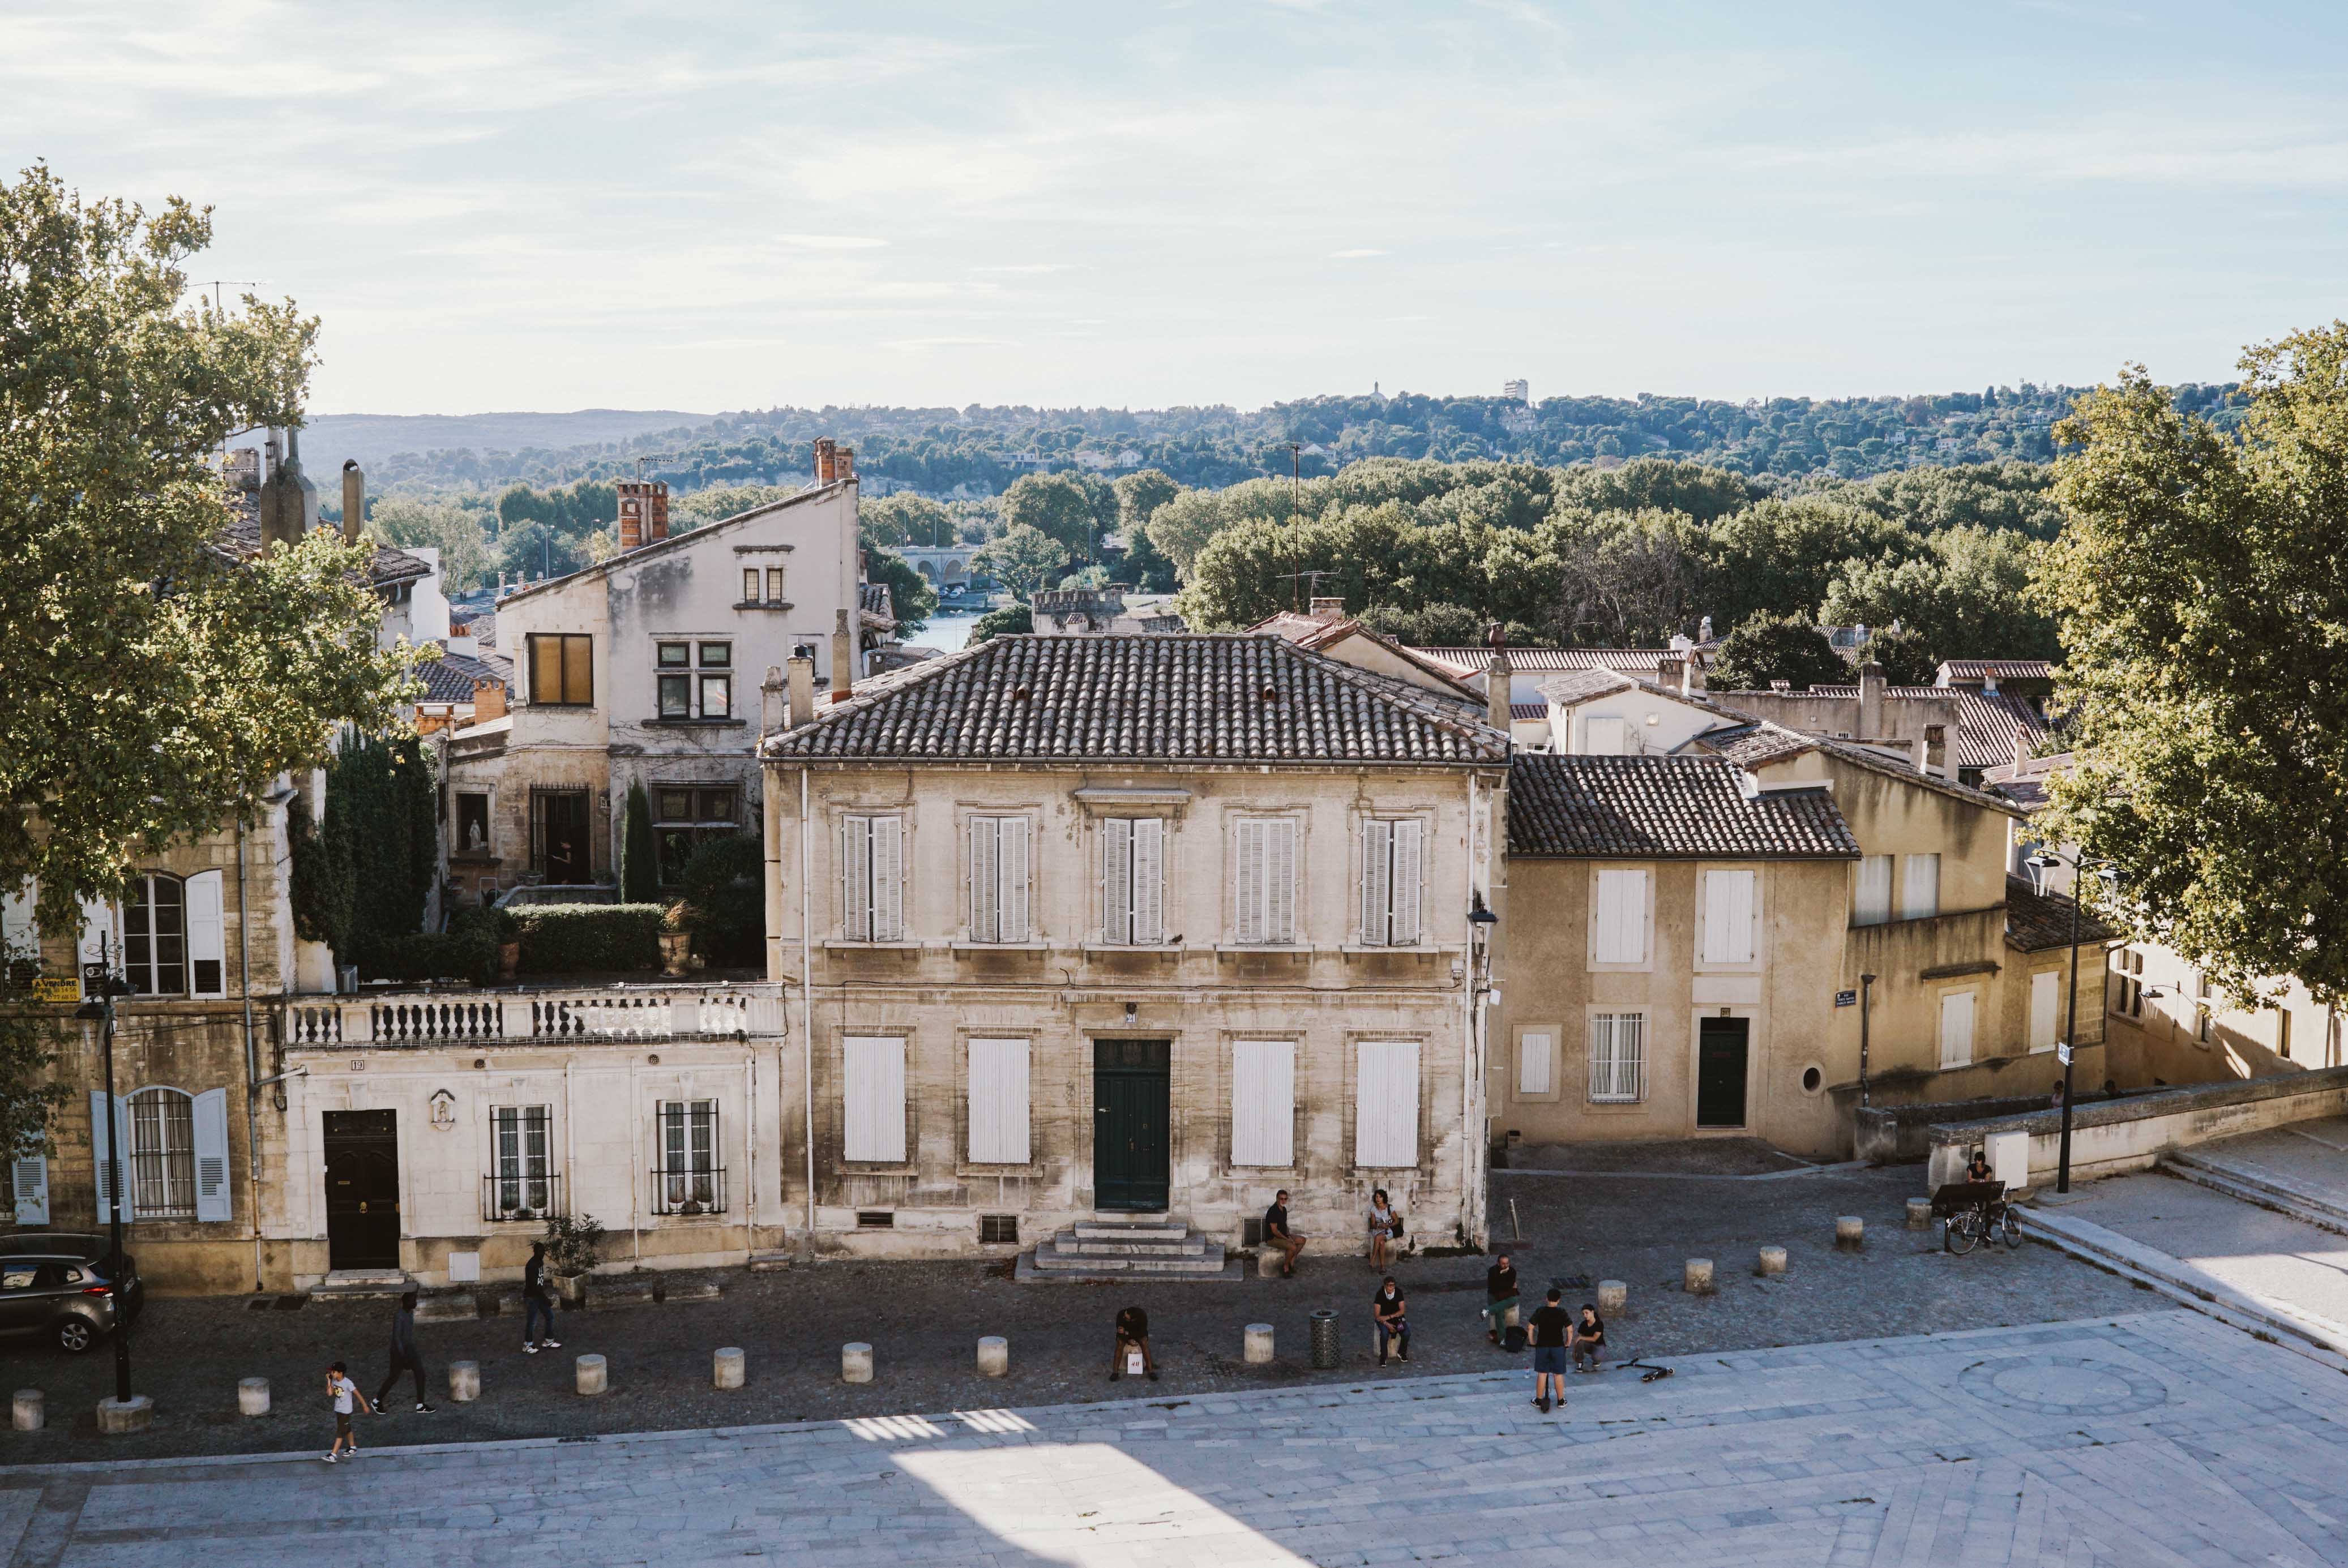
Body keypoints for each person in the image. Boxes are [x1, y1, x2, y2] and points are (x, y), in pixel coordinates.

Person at [373, 1290, 435, 1413]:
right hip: (398, 1352)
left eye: (415, 1300)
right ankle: (377, 1401)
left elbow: (408, 1335)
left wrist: (411, 1350)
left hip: (410, 1349)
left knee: (420, 1374)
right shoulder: (399, 1316)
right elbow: (397, 1338)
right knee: (393, 1378)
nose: (415, 1303)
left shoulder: (410, 1314)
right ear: (405, 1302)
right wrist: (404, 1357)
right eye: (413, 1301)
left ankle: (420, 1405)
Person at [1528, 1288, 1571, 1412]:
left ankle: (1538, 1400)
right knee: (1558, 1374)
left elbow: (1530, 1327)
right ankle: (1561, 1400)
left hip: (1542, 1346)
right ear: (1559, 1300)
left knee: (1542, 1373)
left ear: (1546, 1298)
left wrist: (1532, 1342)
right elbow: (1570, 1330)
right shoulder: (1562, 1312)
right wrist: (1567, 1343)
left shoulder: (1540, 1311)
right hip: (1558, 1346)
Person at [323, 1359, 371, 1463]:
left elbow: (358, 1394)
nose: (331, 1373)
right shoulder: (334, 1381)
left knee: (340, 1432)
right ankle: (353, 1447)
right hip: (338, 1410)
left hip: (346, 1411)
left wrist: (365, 1406)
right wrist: (329, 1381)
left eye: (334, 1372)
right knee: (347, 1428)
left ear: (340, 1373)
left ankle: (333, 1454)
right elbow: (330, 1394)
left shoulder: (348, 1383)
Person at [521, 1240, 563, 1354]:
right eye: (540, 1251)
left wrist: (543, 1298)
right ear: (535, 1252)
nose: (542, 1253)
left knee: (550, 1316)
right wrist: (546, 1299)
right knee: (532, 1322)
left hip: (538, 1296)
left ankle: (548, 1341)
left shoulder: (540, 1262)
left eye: (543, 1251)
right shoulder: (532, 1265)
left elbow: (539, 1284)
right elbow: (534, 1286)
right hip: (532, 1297)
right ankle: (527, 1345)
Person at [1264, 1190, 1306, 1276]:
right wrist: (1287, 1239)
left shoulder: (1284, 1210)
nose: (1284, 1201)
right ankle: (1286, 1267)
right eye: (1281, 1199)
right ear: (1277, 1199)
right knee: (1293, 1247)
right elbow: (1275, 1231)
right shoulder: (1273, 1211)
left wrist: (1289, 1236)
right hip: (1273, 1238)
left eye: (1285, 1199)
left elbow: (1284, 1225)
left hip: (1283, 1235)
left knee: (1302, 1240)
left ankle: (1292, 1261)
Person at [1111, 1304, 1157, 1382]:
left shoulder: (1142, 1316)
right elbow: (1120, 1332)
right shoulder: (1121, 1315)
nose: (1124, 1317)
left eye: (1126, 1318)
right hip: (1126, 1335)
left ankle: (1151, 1371)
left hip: (1136, 1333)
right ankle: (1115, 1372)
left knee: (1144, 1342)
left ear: (1133, 1320)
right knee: (1120, 1343)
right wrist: (1128, 1340)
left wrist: (1127, 1333)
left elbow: (1142, 1332)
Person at [1482, 1252, 1520, 1344]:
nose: (1506, 1265)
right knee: (1500, 1312)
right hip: (1494, 1296)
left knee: (1514, 1299)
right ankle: (1502, 1339)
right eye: (1503, 1264)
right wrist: (1502, 1275)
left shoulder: (1512, 1271)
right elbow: (1495, 1288)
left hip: (1506, 1296)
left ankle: (1488, 1310)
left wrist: (1508, 1287)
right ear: (1498, 1263)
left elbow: (1506, 1287)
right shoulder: (1492, 1271)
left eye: (1507, 1263)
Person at [1372, 1276, 1410, 1364]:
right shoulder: (1380, 1295)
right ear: (1385, 1286)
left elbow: (1402, 1310)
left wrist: (1390, 1317)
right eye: (1389, 1286)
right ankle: (1383, 1357)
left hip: (1396, 1319)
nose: (1391, 1288)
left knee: (1406, 1333)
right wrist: (1387, 1324)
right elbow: (1377, 1316)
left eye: (1393, 1286)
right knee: (1385, 1334)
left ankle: (1402, 1352)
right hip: (1383, 1321)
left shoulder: (1398, 1292)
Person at [1366, 1189, 1397, 1270]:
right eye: (1377, 1197)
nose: (1378, 1199)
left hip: (1389, 1230)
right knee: (1382, 1243)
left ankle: (1373, 1260)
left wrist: (1388, 1225)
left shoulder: (1390, 1208)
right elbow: (1373, 1224)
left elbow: (1397, 1221)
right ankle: (1382, 1267)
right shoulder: (1373, 1209)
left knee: (1378, 1238)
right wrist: (1380, 1225)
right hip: (1377, 1230)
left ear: (1384, 1198)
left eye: (1380, 1197)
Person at [1572, 1304, 1607, 1373]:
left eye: (1587, 1313)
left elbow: (1595, 1339)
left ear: (1592, 1312)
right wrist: (1574, 1352)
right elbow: (1578, 1339)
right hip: (1588, 1345)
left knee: (1597, 1358)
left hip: (1599, 1345)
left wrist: (1581, 1337)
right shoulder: (1583, 1324)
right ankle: (1580, 1363)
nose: (1585, 1315)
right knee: (1580, 1342)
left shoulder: (1599, 1324)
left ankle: (1597, 1361)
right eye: (1583, 1314)